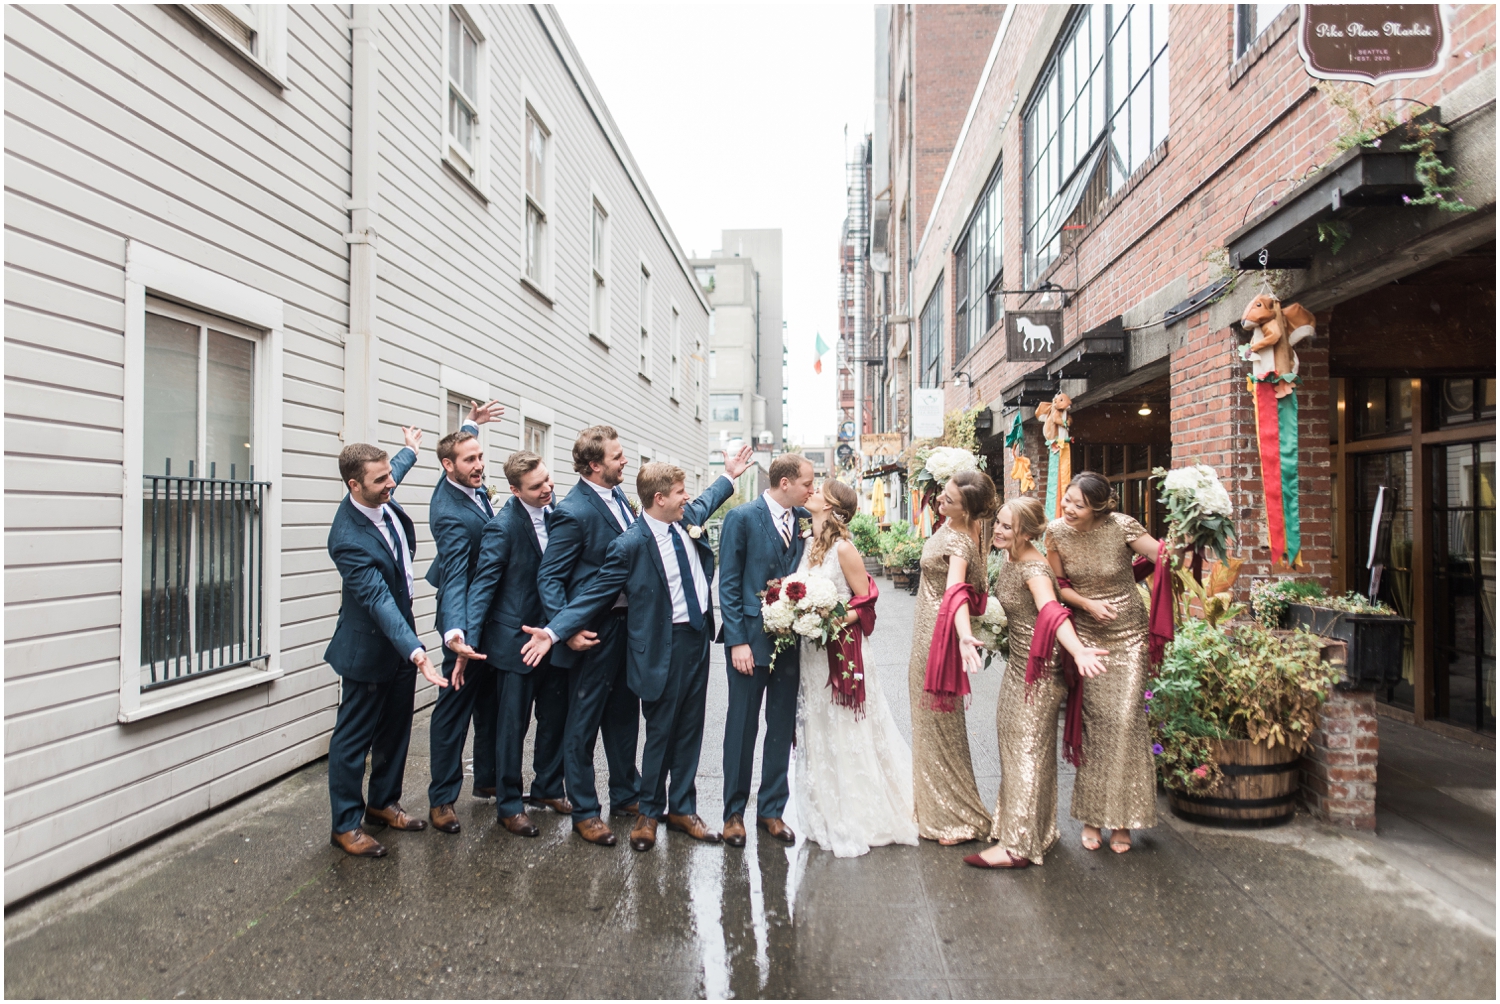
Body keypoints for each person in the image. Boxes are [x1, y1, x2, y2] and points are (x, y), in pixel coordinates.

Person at [519, 449, 751, 851]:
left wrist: (729, 476)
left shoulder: (687, 520)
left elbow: (707, 500)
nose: (686, 498)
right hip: (663, 643)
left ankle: (682, 808)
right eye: (680, 492)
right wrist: (555, 631)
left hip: (698, 641)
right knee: (660, 730)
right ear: (659, 498)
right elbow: (594, 594)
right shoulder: (630, 545)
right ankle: (647, 814)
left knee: (690, 729)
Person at [964, 497, 1108, 869]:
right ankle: (1034, 829)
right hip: (1022, 664)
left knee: (1024, 750)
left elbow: (1051, 611)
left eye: (1007, 526)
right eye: (998, 522)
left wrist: (1078, 651)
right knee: (1021, 748)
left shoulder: (1034, 569)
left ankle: (1017, 846)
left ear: (1027, 532)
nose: (997, 529)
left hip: (1039, 671)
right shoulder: (1012, 558)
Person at [324, 430, 449, 857]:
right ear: (353, 486)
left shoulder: (381, 486)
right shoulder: (348, 539)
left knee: (396, 729)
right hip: (370, 647)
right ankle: (345, 824)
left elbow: (396, 467)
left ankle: (382, 803)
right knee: (353, 740)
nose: (389, 483)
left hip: (400, 637)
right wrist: (417, 652)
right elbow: (377, 600)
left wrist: (411, 449)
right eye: (380, 481)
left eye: (387, 476)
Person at [792, 479, 919, 857]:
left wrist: (827, 623)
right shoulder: (808, 544)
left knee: (847, 725)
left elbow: (865, 604)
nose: (811, 491)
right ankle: (825, 805)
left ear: (831, 507)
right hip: (811, 653)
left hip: (841, 648)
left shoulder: (844, 549)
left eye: (819, 490)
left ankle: (861, 810)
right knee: (820, 723)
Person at [1046, 471, 1168, 854]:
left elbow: (1163, 556)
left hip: (1129, 634)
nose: (1068, 508)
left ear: (1099, 507)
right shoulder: (1055, 533)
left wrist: (1187, 528)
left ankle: (1125, 820)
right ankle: (1092, 817)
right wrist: (1087, 605)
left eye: (1078, 505)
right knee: (1097, 723)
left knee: (1126, 721)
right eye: (1067, 500)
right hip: (1088, 633)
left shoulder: (1122, 526)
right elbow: (1059, 586)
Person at [536, 426, 644, 846]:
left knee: (623, 715)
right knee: (581, 725)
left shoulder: (618, 497)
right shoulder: (573, 511)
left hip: (625, 629)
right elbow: (550, 577)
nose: (625, 461)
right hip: (591, 632)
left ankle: (625, 794)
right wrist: (566, 629)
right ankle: (584, 810)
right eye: (618, 456)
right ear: (595, 465)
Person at [465, 451, 571, 837]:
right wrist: (469, 640)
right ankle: (509, 805)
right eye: (536, 486)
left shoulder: (554, 508)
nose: (547, 489)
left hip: (553, 636)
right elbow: (483, 586)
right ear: (514, 490)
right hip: (514, 644)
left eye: (547, 480)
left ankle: (546, 787)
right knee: (512, 726)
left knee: (554, 716)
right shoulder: (503, 527)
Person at [717, 453, 816, 848]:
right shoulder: (741, 518)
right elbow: (728, 583)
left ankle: (772, 809)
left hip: (790, 642)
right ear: (786, 482)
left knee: (780, 726)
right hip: (749, 642)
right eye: (807, 482)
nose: (813, 488)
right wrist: (737, 640)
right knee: (741, 727)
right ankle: (733, 813)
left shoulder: (805, 519)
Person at [423, 401, 503, 834]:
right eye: (471, 460)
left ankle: (488, 781)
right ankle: (441, 800)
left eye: (480, 456)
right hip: (464, 623)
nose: (479, 465)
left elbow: (458, 447)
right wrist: (458, 635)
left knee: (489, 706)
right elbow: (455, 577)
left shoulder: (460, 480)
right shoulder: (450, 514)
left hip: (489, 617)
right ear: (447, 466)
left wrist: (471, 423)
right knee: (454, 710)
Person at [906, 470, 995, 845]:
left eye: (949, 499)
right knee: (930, 726)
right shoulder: (955, 527)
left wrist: (963, 637)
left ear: (967, 511)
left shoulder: (960, 540)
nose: (940, 500)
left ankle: (954, 817)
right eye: (943, 493)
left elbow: (957, 589)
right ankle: (934, 808)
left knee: (940, 726)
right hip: (927, 632)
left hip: (939, 638)